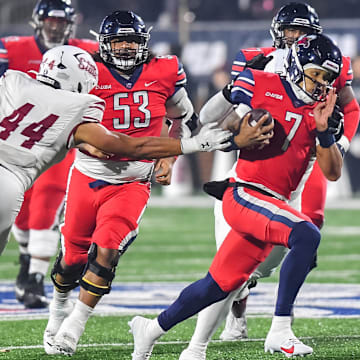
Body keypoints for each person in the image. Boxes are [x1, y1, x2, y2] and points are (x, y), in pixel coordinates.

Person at [40, 10, 271, 357]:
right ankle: (58, 309)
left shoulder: (163, 71)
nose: (125, 46)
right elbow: (63, 123)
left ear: (144, 41)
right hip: (89, 175)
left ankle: (74, 324)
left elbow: (185, 120)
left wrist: (168, 157)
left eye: (132, 39)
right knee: (72, 257)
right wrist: (84, 143)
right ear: (104, 43)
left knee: (108, 248)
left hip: (133, 179)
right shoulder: (86, 71)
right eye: (118, 40)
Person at [129, 33, 344, 359]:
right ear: (299, 65)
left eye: (327, 78)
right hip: (245, 193)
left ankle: (151, 329)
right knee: (306, 235)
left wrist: (325, 131)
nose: (321, 83)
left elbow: (332, 172)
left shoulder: (321, 110)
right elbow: (207, 118)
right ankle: (280, 330)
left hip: (275, 202)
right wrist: (231, 94)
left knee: (220, 284)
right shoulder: (263, 83)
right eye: (316, 73)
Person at [212, 1, 360, 342]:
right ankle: (239, 316)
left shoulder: (328, 60)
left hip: (307, 155)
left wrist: (342, 144)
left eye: (303, 32)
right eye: (291, 30)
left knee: (311, 226)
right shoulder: (255, 60)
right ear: (278, 33)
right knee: (238, 247)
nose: (296, 37)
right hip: (264, 155)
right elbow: (231, 112)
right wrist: (232, 136)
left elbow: (350, 107)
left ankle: (283, 313)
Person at [0, 44, 233, 257]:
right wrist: (199, 143)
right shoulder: (78, 107)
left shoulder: (13, 80)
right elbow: (133, 146)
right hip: (9, 182)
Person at [0, 0, 99, 309]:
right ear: (38, 22)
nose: (55, 26)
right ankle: (28, 259)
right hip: (17, 144)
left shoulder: (87, 50)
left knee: (46, 209)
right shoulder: (12, 48)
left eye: (61, 21)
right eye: (50, 20)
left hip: (57, 140)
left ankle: (35, 277)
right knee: (23, 212)